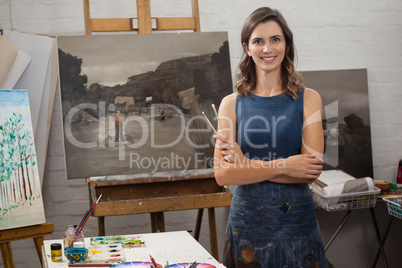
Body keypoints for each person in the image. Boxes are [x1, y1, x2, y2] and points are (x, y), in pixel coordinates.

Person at [213, 7, 327, 267]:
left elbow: (310, 171)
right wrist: (287, 165)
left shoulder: (309, 99)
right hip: (247, 225)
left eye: (275, 39)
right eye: (258, 41)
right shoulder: (230, 104)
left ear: (286, 44)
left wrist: (245, 164)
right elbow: (223, 175)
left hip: (296, 223)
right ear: (247, 47)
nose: (268, 49)